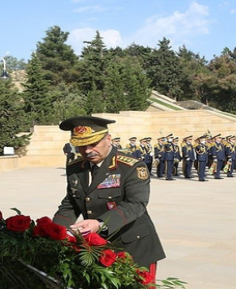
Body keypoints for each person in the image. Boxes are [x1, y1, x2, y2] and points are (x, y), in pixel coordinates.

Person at [53, 115, 166, 276]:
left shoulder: (131, 166)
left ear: (108, 139)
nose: (87, 151)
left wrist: (100, 224)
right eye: (81, 146)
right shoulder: (76, 167)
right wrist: (56, 230)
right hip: (97, 248)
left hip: (133, 247)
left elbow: (135, 204)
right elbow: (71, 202)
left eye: (93, 144)